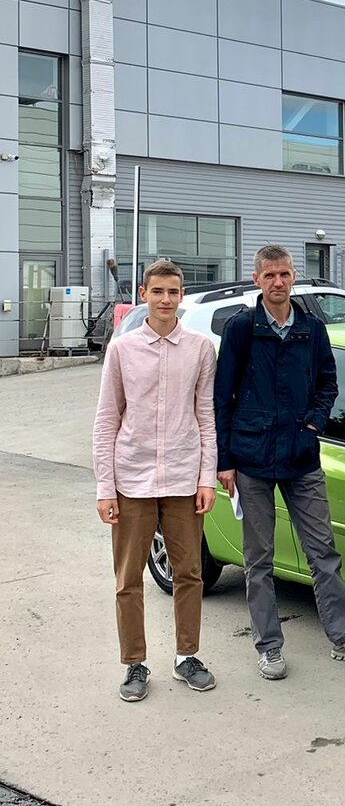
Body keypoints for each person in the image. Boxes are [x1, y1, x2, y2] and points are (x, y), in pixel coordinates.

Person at [214, 245, 345, 679]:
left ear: (294, 277)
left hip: (301, 457)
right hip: (252, 458)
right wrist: (224, 460)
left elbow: (328, 384)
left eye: (285, 274)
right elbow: (222, 398)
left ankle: (344, 637)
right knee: (259, 560)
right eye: (270, 275)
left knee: (323, 551)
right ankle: (269, 647)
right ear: (257, 279)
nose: (278, 282)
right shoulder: (241, 329)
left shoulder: (312, 328)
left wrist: (313, 425)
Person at [93, 259, 218, 702]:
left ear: (182, 296)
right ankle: (134, 663)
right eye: (158, 291)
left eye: (173, 292)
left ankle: (187, 657)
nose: (166, 300)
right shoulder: (122, 350)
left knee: (189, 573)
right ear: (143, 294)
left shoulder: (201, 349)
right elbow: (107, 419)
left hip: (184, 477)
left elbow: (206, 416)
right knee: (129, 578)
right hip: (132, 478)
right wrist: (105, 487)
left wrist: (206, 478)